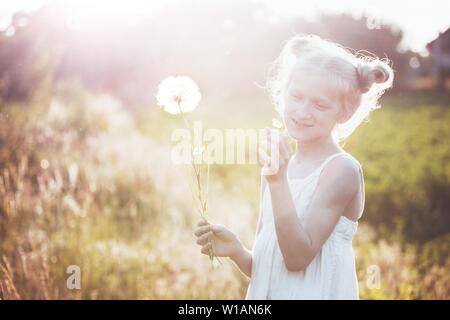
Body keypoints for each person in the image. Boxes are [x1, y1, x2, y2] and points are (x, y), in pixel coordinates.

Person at [194, 34, 394, 299]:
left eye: (320, 104)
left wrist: (278, 182)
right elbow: (270, 273)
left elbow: (297, 258)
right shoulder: (279, 166)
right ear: (282, 94)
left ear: (345, 112)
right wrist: (238, 252)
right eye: (296, 96)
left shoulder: (340, 170)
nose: (302, 111)